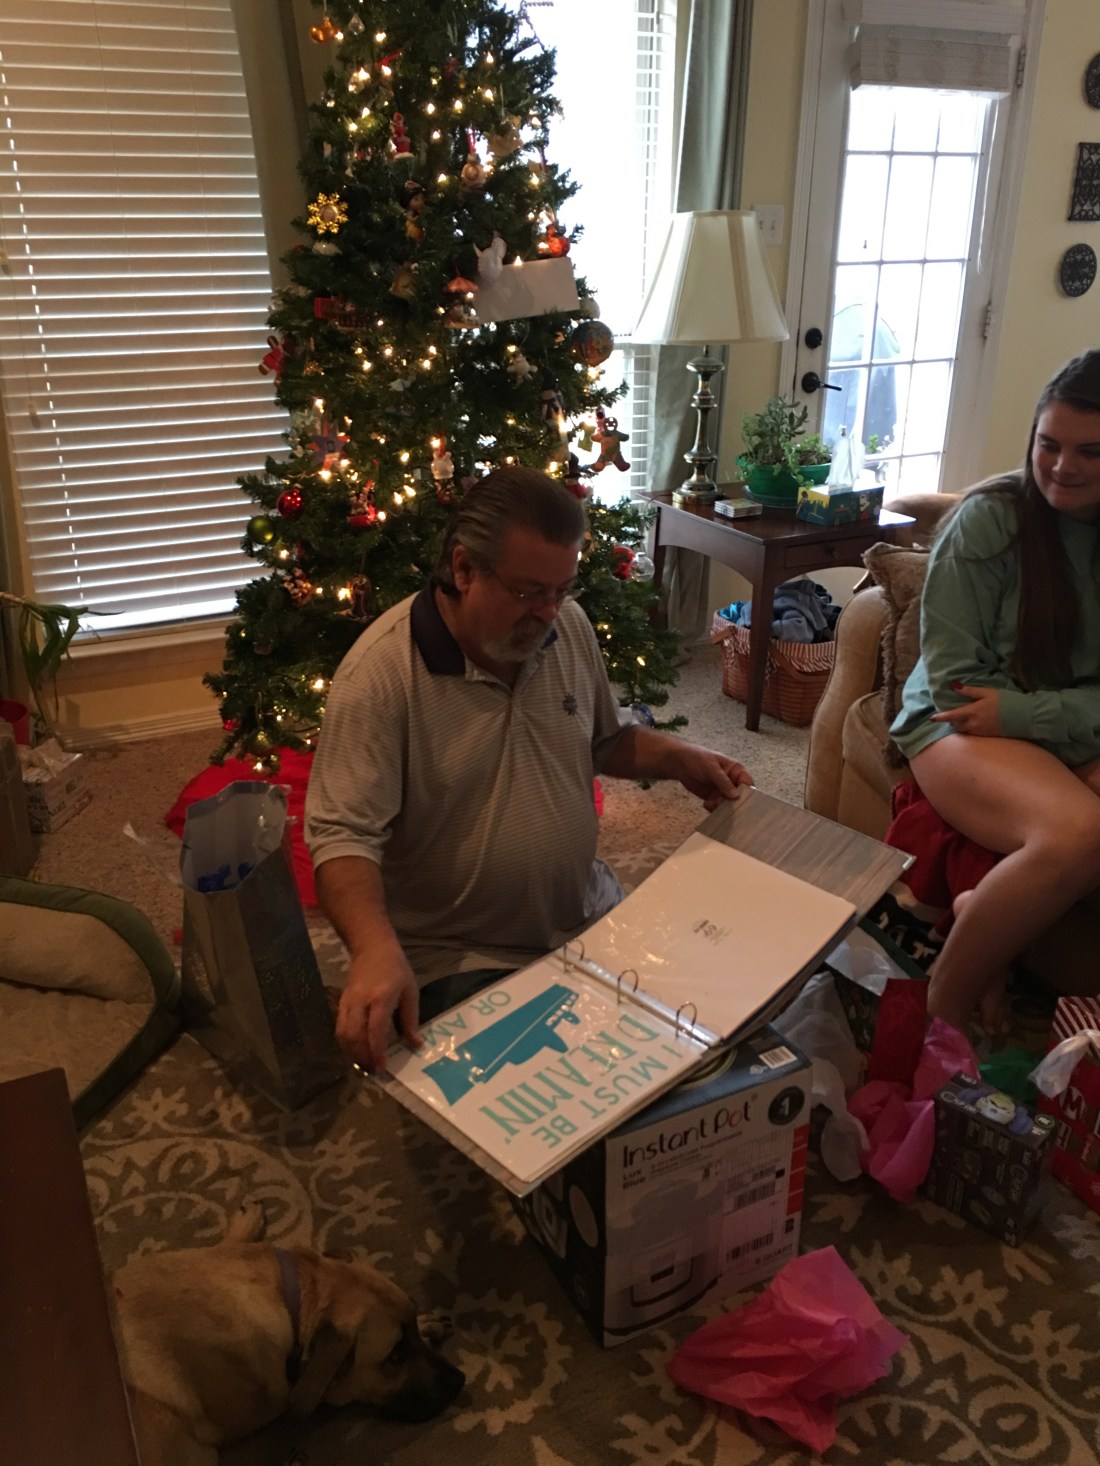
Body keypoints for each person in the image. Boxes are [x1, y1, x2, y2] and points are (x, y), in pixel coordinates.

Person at [305, 465, 752, 1071]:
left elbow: (605, 740)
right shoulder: (379, 678)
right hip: (461, 953)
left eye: (561, 589)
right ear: (464, 569)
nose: (547, 612)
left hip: (590, 914)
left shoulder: (567, 626)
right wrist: (373, 949)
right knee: (553, 1085)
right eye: (527, 592)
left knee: (709, 1038)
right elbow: (342, 837)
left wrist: (680, 758)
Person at [890, 349, 1100, 1036]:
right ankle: (941, 1010)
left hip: (1033, 718)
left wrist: (1033, 715)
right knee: (1080, 832)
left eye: (1090, 451)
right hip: (956, 719)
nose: (1062, 467)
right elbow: (958, 683)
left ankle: (984, 917)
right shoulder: (989, 517)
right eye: (1049, 444)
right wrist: (1049, 720)